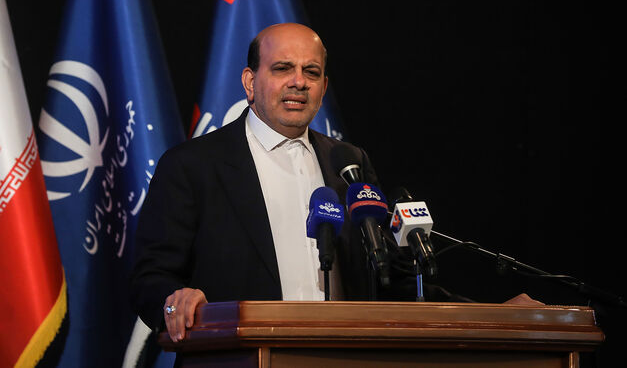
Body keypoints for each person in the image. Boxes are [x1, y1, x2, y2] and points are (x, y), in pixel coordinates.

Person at [128, 22, 537, 345]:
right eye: (282, 68)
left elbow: (391, 281)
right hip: (238, 357)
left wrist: (492, 313)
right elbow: (151, 276)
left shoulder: (349, 163)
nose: (298, 82)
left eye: (311, 72)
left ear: (323, 88)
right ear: (250, 82)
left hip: (341, 355)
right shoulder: (192, 165)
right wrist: (174, 300)